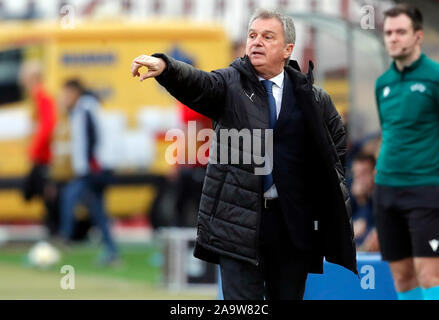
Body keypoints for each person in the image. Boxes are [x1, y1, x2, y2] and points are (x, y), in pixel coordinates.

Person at [131, 9, 357, 300]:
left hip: (291, 228)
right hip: (238, 224)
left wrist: (314, 198)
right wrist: (166, 67)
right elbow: (198, 83)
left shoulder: (313, 98)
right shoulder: (229, 84)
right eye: (252, 36)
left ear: (288, 49)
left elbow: (336, 150)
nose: (256, 42)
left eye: (267, 36)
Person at [374, 4, 439, 300]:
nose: (393, 38)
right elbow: (390, 132)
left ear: (418, 36)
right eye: (388, 32)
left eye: (401, 31)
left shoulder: (435, 77)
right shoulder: (382, 84)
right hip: (386, 191)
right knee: (402, 278)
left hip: (427, 190)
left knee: (430, 274)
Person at [58, 79, 119, 265]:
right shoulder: (81, 110)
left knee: (69, 196)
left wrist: (90, 166)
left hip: (94, 169)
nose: (64, 98)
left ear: (75, 92)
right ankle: (112, 252)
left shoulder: (85, 109)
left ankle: (65, 238)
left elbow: (92, 137)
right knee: (98, 211)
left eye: (66, 94)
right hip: (94, 168)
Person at [19, 61, 59, 237]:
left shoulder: (42, 96)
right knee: (42, 191)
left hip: (44, 155)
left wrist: (35, 150)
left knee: (38, 191)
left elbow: (47, 126)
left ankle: (54, 227)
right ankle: (52, 226)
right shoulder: (36, 97)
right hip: (41, 154)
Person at [350, 153, 378, 251]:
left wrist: (362, 200)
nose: (359, 179)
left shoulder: (382, 197)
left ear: (374, 173)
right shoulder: (349, 197)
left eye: (364, 174)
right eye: (356, 174)